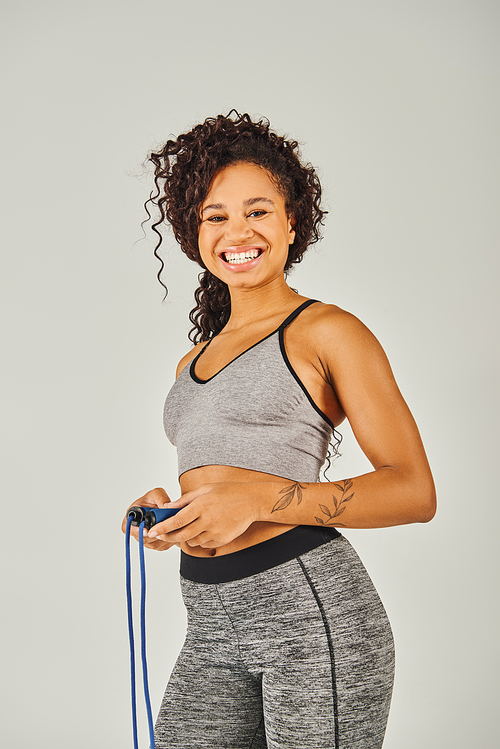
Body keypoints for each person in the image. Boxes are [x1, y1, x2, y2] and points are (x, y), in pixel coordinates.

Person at [122, 111, 436, 749]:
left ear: (292, 223)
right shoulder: (193, 361)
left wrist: (259, 499)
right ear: (194, 233)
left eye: (258, 211)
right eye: (216, 216)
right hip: (209, 621)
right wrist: (171, 511)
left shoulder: (327, 332)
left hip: (310, 613)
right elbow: (224, 477)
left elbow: (413, 491)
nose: (238, 231)